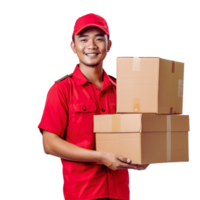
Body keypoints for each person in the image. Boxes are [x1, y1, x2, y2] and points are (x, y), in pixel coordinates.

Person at [35, 12, 151, 200]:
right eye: (83, 39)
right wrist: (100, 157)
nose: (91, 46)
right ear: (72, 46)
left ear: (110, 45)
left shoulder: (124, 90)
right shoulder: (61, 89)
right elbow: (48, 144)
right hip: (81, 194)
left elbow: (137, 134)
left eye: (99, 38)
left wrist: (144, 158)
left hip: (120, 193)